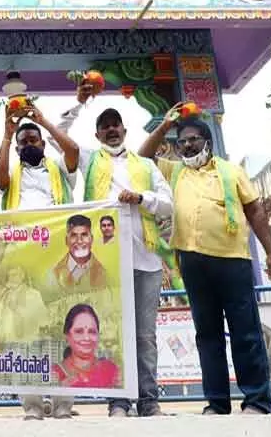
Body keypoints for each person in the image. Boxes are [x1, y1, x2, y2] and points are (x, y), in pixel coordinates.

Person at [139, 107, 271, 415]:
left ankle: (257, 400)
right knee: (208, 335)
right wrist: (165, 126)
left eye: (193, 140)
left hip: (233, 261)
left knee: (245, 332)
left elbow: (256, 211)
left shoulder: (232, 171)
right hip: (192, 262)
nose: (187, 146)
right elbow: (142, 156)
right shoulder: (172, 172)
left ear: (208, 142)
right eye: (182, 142)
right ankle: (217, 403)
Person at [56, 100, 173, 418]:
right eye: (105, 126)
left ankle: (149, 401)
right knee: (111, 334)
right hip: (106, 264)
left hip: (145, 260)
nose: (111, 129)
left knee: (145, 335)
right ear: (97, 134)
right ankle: (118, 402)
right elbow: (57, 136)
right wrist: (78, 103)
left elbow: (168, 205)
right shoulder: (90, 161)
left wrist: (141, 198)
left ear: (124, 129)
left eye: (115, 124)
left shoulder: (146, 166)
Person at [0, 107, 79, 421]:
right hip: (22, 263)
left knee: (61, 332)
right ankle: (31, 406)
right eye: (23, 141)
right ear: (17, 148)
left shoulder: (60, 169)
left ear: (43, 144)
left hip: (58, 261)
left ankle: (62, 406)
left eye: (34, 140)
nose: (29, 144)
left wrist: (42, 120)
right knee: (24, 334)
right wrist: (6, 132)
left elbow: (74, 150)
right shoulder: (11, 173)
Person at [53, 304, 119, 388]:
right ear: (67, 336)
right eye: (79, 331)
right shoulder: (55, 373)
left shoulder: (110, 370)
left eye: (92, 331)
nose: (86, 338)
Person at [51, 215, 107, 289]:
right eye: (74, 235)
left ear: (92, 239)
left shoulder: (104, 273)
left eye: (84, 235)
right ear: (66, 240)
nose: (79, 241)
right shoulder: (54, 275)